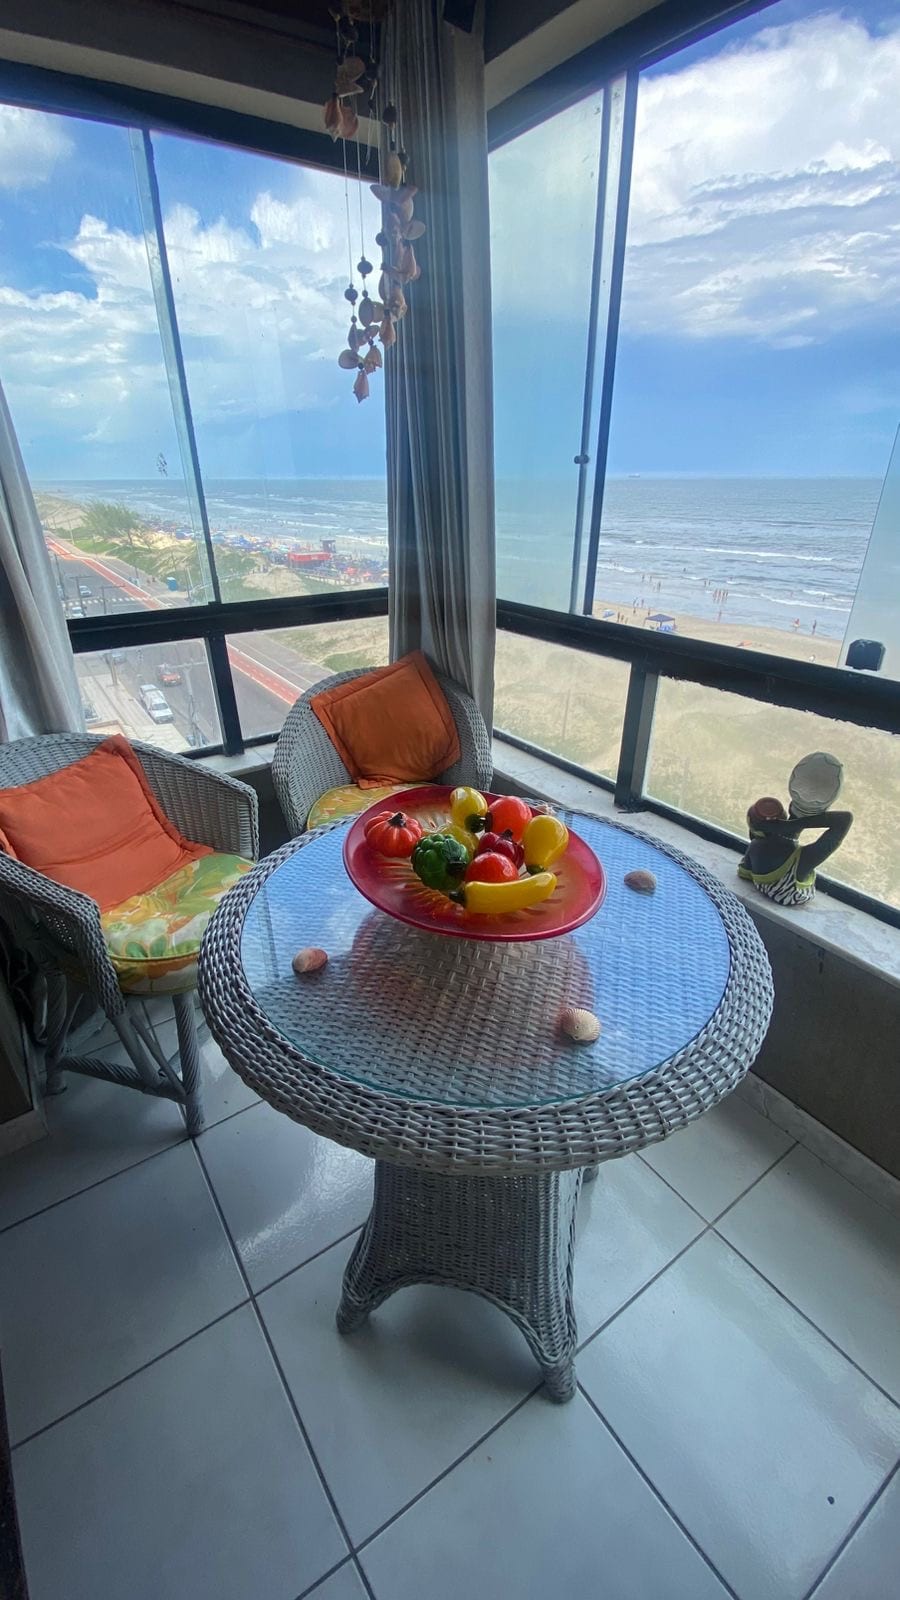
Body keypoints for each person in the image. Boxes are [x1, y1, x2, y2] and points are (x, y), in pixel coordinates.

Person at [738, 753, 852, 906]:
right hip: (789, 894)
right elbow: (845, 820)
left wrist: (782, 826)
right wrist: (791, 824)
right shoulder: (800, 862)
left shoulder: (755, 846)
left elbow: (743, 872)